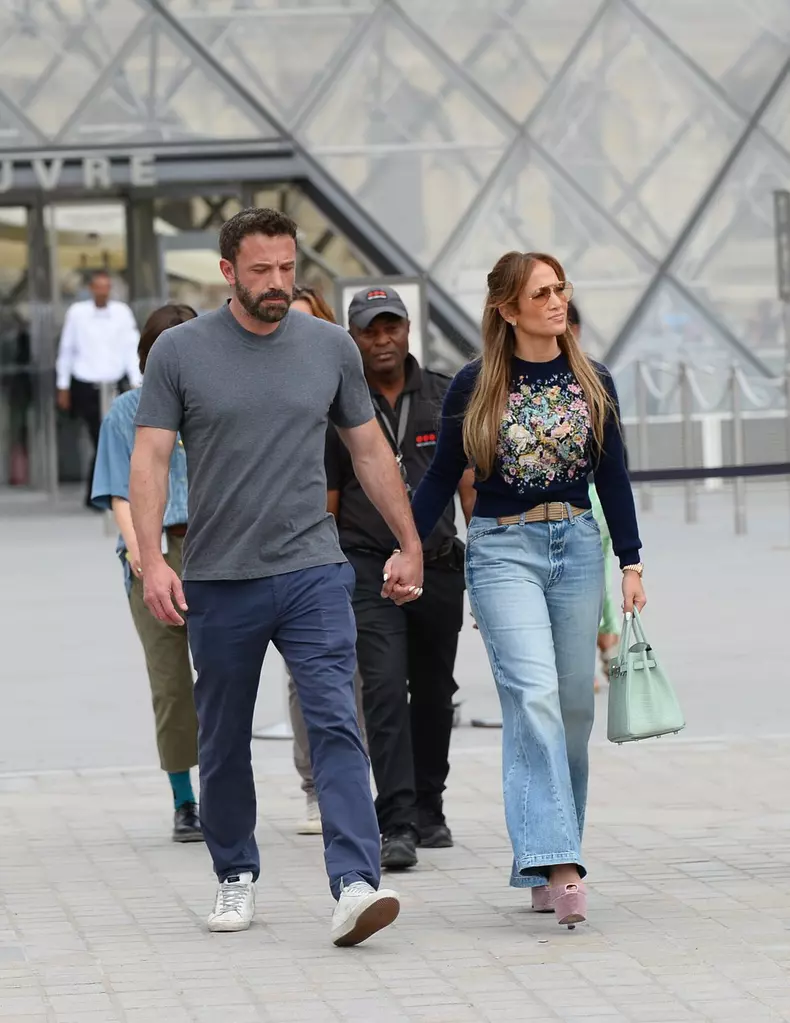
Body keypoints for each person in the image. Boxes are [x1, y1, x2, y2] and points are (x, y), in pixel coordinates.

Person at [129, 208, 424, 947]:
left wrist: (409, 541)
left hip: (313, 570)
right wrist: (152, 559)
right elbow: (152, 459)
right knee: (223, 735)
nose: (276, 283)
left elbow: (369, 453)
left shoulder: (329, 347)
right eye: (260, 270)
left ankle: (355, 883)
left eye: (287, 269)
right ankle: (235, 872)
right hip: (220, 576)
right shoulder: (180, 351)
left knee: (334, 717)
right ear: (226, 271)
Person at [409, 251, 646, 929]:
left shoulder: (590, 379)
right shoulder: (476, 383)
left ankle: (540, 857)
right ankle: (561, 861)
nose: (555, 301)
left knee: (572, 709)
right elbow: (440, 474)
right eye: (540, 292)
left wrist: (631, 562)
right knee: (534, 695)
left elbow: (615, 480)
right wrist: (407, 542)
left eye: (560, 289)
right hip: (502, 548)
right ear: (507, 309)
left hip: (575, 546)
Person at [326, 285, 474, 870]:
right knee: (384, 690)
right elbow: (330, 501)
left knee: (435, 694)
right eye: (369, 330)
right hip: (368, 566)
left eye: (391, 327)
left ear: (408, 329)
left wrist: (484, 557)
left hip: (437, 564)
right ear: (353, 337)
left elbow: (470, 487)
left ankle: (430, 808)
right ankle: (396, 823)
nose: (382, 340)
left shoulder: (444, 395)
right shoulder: (339, 405)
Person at [91, 304, 202, 843]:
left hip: (213, 552)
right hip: (155, 552)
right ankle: (185, 800)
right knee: (171, 682)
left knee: (223, 676)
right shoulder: (127, 412)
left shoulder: (213, 405)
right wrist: (142, 552)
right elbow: (118, 489)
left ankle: (229, 789)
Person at [287, 283, 366, 837]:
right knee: (304, 681)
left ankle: (353, 792)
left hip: (334, 550)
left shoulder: (334, 380)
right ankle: (314, 786)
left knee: (350, 681)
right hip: (285, 554)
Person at [567, 301, 620, 690]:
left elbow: (614, 458)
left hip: (591, 496)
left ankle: (604, 642)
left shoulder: (594, 378)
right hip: (570, 498)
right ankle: (606, 643)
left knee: (593, 573)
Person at [55, 270, 141, 507]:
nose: (103, 291)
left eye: (106, 286)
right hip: (86, 384)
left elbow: (130, 348)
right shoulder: (77, 313)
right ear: (91, 288)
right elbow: (67, 350)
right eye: (98, 286)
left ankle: (102, 494)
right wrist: (62, 386)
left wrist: (137, 381)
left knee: (113, 436)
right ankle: (99, 494)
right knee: (99, 437)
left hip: (115, 384)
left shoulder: (122, 312)